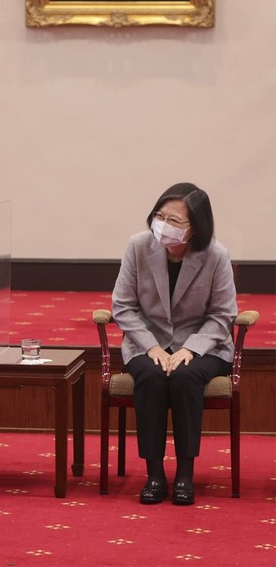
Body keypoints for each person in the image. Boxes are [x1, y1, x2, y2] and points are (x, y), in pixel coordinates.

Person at [112, 182, 236, 506]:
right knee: (151, 376)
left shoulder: (216, 255)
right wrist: (151, 346)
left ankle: (184, 473)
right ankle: (154, 474)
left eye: (175, 221)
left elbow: (223, 314)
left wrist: (190, 349)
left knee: (185, 376)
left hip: (203, 343)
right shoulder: (138, 246)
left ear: (196, 227)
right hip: (146, 339)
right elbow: (122, 306)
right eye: (160, 216)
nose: (163, 225)